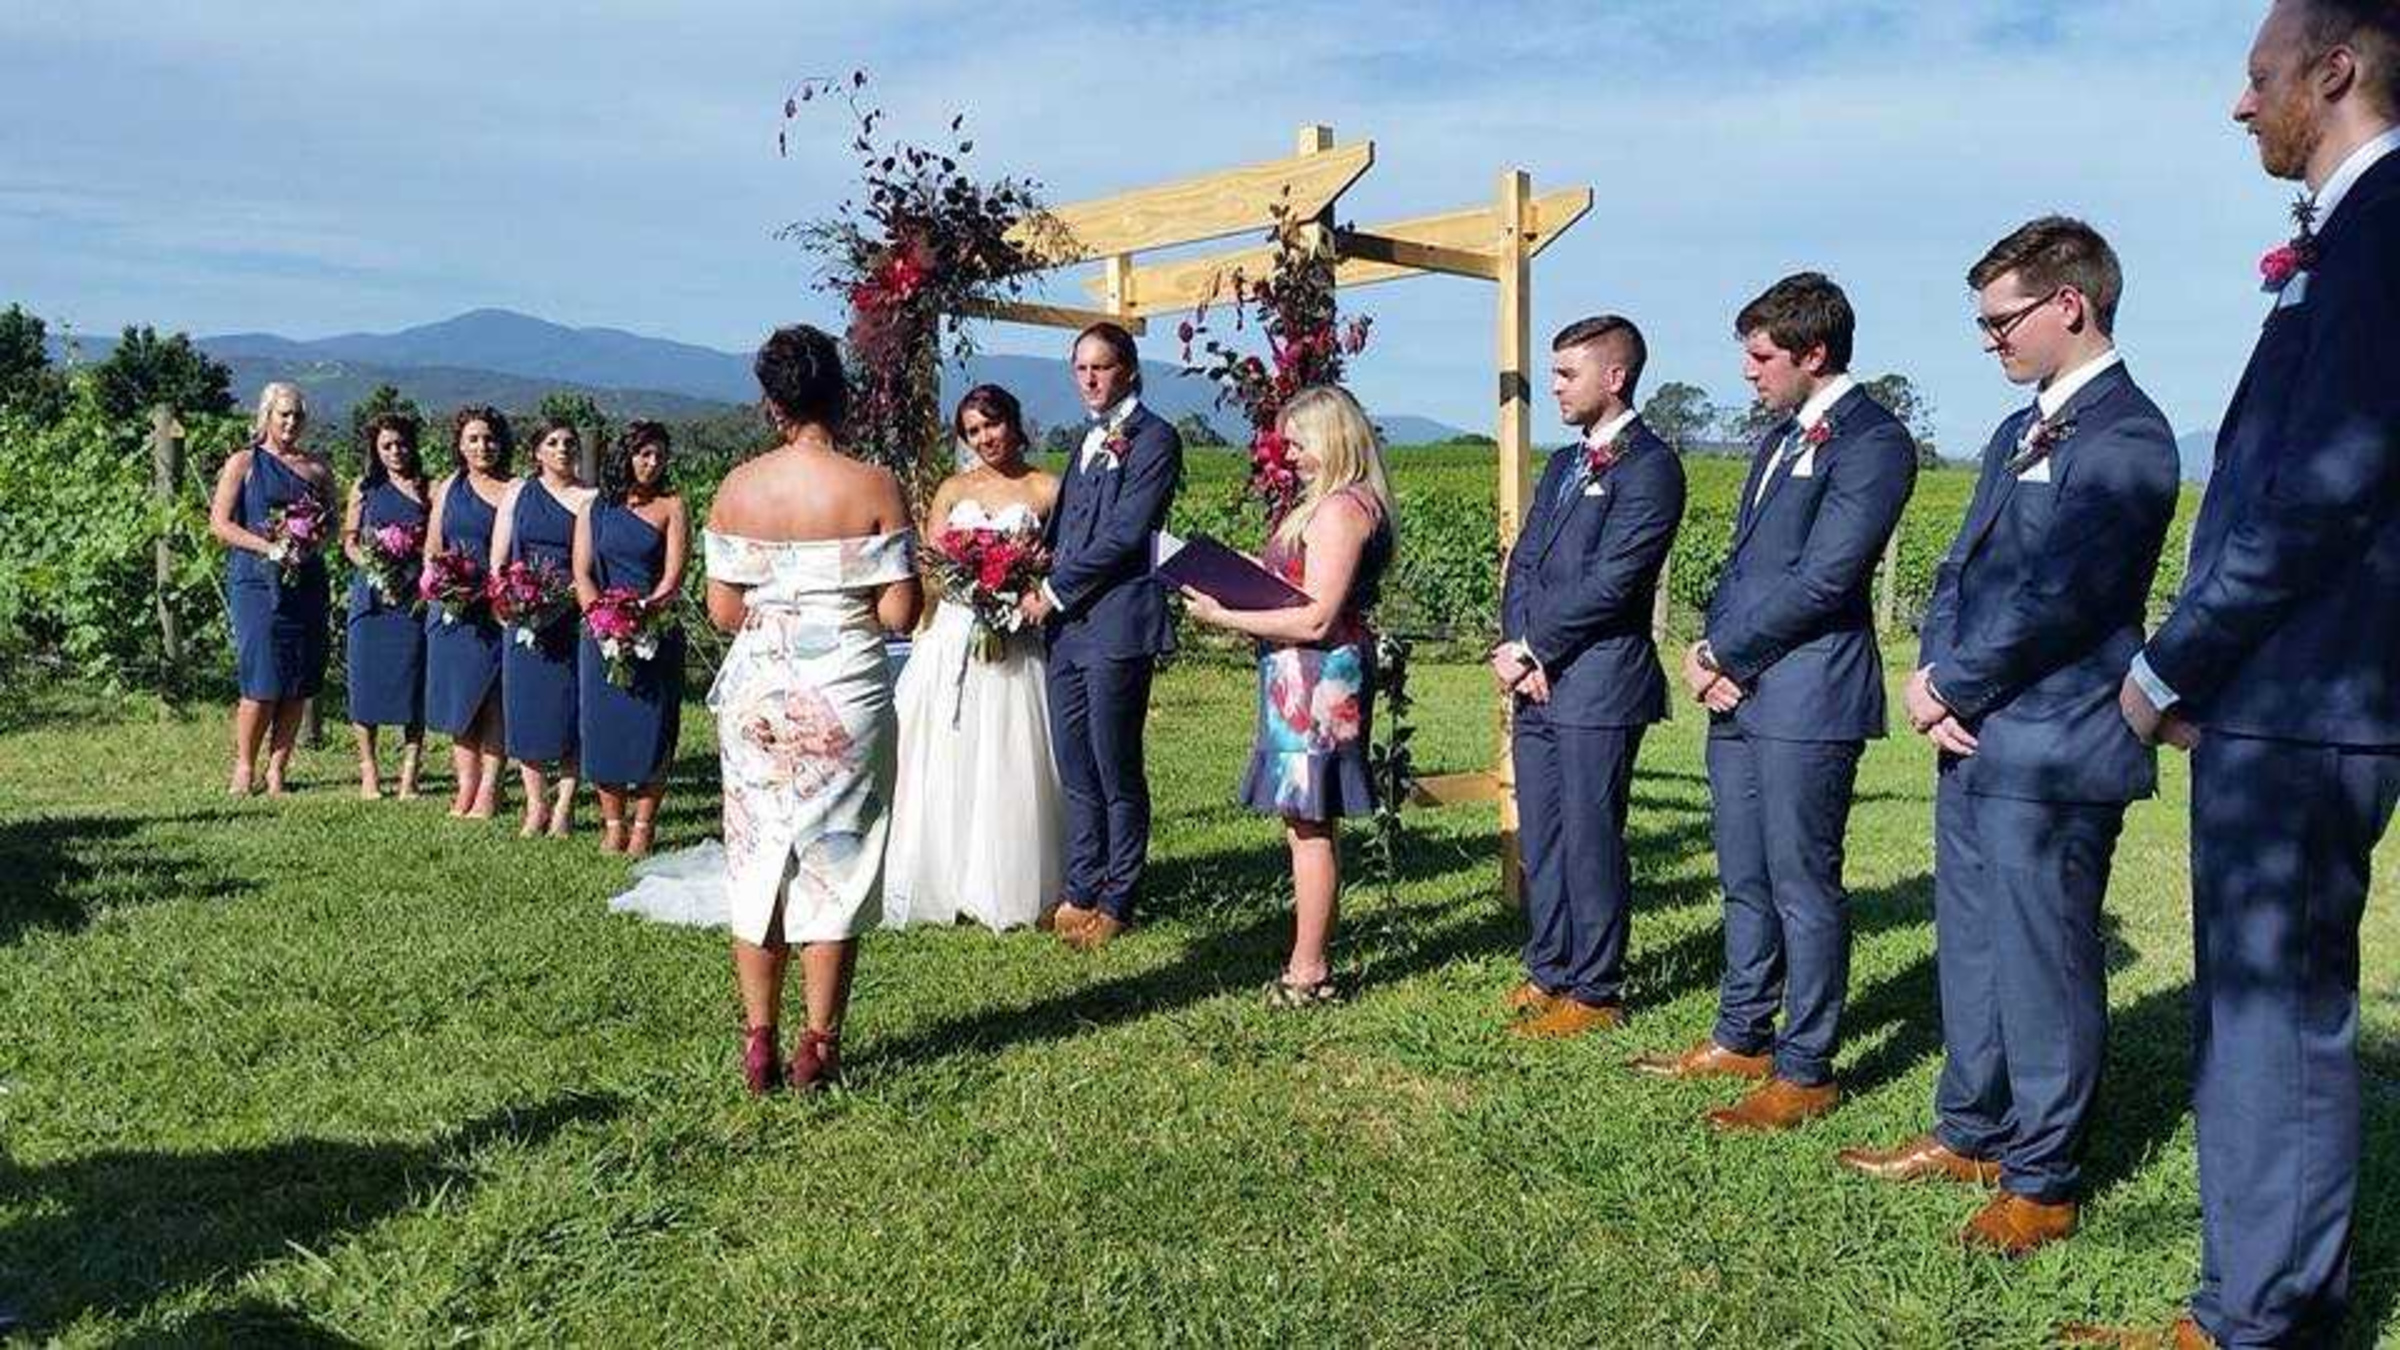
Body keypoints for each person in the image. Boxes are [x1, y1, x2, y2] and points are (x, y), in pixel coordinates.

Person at [2105, 3, 2400, 1342]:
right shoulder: (2345, 241)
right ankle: (2237, 1301)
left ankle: (2269, 1325)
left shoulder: (2387, 230)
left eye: (2259, 76)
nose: (2242, 104)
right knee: (2246, 1014)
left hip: (2312, 692)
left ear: (2335, 69)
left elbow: (2322, 491)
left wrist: (2176, 658)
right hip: (2282, 695)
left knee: (2278, 1024)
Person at [1834, 218, 2179, 1259]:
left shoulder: (2129, 438)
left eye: (2000, 321)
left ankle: (2045, 1178)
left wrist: (1959, 682)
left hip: (2058, 744)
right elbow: (1957, 571)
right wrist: (1936, 676)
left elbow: (2067, 599)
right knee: (1973, 947)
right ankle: (1971, 1131)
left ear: (2067, 304)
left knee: (2043, 961)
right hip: (1975, 732)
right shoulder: (2017, 431)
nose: (1989, 341)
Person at [1635, 273, 1917, 1131]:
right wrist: (1710, 654)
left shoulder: (1874, 443)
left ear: (1814, 352)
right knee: (1745, 877)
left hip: (1809, 697)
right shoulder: (1774, 440)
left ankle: (1807, 1066)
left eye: (1761, 356)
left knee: (1804, 884)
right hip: (1739, 694)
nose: (1749, 373)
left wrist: (1732, 651)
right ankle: (1741, 1033)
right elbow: (1748, 563)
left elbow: (1827, 577)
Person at [705, 324, 920, 1093]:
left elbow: (724, 612)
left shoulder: (737, 488)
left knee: (758, 853)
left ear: (772, 403)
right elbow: (900, 613)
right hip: (846, 690)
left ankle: (759, 1035)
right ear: (841, 392)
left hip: (760, 686)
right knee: (836, 856)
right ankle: (818, 1044)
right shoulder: (876, 486)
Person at [1488, 318, 1685, 1038]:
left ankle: (1596, 990)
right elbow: (1526, 559)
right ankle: (1549, 968)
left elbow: (1615, 582)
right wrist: (1517, 646)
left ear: (1615, 377)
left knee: (1590, 837)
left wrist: (1539, 646)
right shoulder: (1565, 464)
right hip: (1537, 677)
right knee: (1542, 835)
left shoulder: (1651, 466)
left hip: (1600, 681)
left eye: (1568, 373)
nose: (1557, 387)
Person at [1181, 386, 1400, 1005]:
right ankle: (1311, 956)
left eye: (1299, 442)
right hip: (1302, 677)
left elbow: (1315, 619)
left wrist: (1224, 616)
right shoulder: (1338, 504)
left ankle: (1308, 970)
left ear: (1332, 440)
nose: (1291, 454)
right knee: (1304, 821)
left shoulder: (1337, 511)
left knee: (1310, 824)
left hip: (1317, 678)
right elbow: (1302, 586)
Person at [1016, 322, 1183, 952]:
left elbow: (1124, 535)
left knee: (1116, 765)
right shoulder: (1086, 440)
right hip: (1067, 632)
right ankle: (1080, 889)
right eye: (1080, 369)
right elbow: (1071, 530)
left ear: (1130, 370)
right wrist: (1028, 558)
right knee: (1075, 764)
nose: (1089, 379)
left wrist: (1053, 591)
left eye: (1101, 367)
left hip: (1118, 623)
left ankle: (1118, 897)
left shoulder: (1155, 440)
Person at [883, 385, 1066, 932]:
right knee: (945, 751)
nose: (985, 438)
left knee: (1012, 754)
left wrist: (1018, 589)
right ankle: (942, 875)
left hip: (1016, 637)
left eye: (993, 424)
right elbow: (932, 565)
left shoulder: (1046, 488)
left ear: (1014, 422)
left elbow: (1062, 561)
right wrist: (964, 591)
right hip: (954, 635)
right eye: (972, 430)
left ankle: (1009, 880)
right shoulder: (952, 489)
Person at [208, 381, 334, 796]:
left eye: (297, 414)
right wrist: (270, 547)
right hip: (256, 582)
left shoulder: (317, 468)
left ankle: (278, 769)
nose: (291, 422)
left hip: (306, 583)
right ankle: (245, 766)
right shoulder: (244, 463)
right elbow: (221, 524)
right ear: (267, 416)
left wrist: (311, 542)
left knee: (298, 677)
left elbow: (331, 524)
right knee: (261, 677)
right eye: (284, 414)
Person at [573, 420, 689, 857]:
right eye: (645, 454)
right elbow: (582, 570)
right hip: (600, 632)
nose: (653, 463)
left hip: (653, 632)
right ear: (627, 455)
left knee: (653, 728)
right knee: (604, 729)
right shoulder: (594, 508)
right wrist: (601, 618)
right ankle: (613, 823)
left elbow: (673, 577)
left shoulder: (672, 506)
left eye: (659, 455)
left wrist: (643, 613)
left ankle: (644, 826)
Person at [491, 418, 594, 838]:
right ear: (536, 452)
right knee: (525, 710)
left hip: (569, 617)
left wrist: (564, 597)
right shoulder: (518, 492)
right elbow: (500, 554)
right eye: (552, 442)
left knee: (572, 711)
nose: (563, 449)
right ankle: (536, 804)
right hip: (522, 614)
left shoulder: (591, 498)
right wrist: (503, 598)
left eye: (569, 442)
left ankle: (566, 805)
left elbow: (590, 564)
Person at [423, 407, 513, 820]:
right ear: (460, 445)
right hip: (453, 608)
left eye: (490, 438)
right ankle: (466, 785)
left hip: (495, 609)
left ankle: (491, 790)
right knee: (461, 701)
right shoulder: (448, 487)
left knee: (493, 700)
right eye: (474, 439)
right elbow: (433, 544)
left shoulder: (516, 489)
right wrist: (437, 581)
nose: (483, 446)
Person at [342, 411, 431, 799]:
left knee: (414, 683)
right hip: (373, 597)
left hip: (412, 596)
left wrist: (413, 577)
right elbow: (349, 541)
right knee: (365, 683)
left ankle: (410, 774)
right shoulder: (364, 487)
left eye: (401, 444)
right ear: (375, 450)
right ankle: (369, 773)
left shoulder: (428, 488)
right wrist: (376, 568)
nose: (396, 452)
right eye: (387, 446)